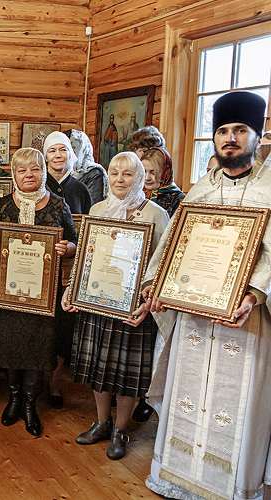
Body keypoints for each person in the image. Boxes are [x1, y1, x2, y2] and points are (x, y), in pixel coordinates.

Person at [144, 91, 271, 499]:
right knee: (188, 391)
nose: (230, 138)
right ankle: (179, 477)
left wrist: (253, 295)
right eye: (222, 131)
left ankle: (231, 487)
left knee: (239, 405)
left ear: (257, 134)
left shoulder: (267, 192)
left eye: (240, 130)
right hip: (195, 320)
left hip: (244, 320)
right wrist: (156, 287)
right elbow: (172, 250)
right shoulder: (198, 193)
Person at [62, 151, 169, 460]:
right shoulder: (97, 209)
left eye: (128, 173)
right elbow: (84, 255)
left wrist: (147, 303)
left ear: (140, 178)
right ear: (107, 175)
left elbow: (161, 266)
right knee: (99, 367)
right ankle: (101, 422)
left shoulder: (156, 215)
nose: (120, 179)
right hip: (97, 300)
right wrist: (71, 290)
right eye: (115, 172)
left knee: (126, 373)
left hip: (132, 307)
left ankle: (121, 428)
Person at [0, 147, 77, 437]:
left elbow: (74, 242)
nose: (29, 175)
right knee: (11, 347)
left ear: (44, 171)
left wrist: (67, 248)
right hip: (8, 294)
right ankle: (14, 399)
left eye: (34, 169)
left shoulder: (59, 205)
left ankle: (31, 404)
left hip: (43, 297)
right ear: (14, 175)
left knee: (37, 349)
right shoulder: (4, 205)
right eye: (22, 170)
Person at [42, 131, 92, 409]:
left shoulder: (80, 189)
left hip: (68, 271)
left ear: (70, 154)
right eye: (52, 151)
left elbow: (88, 231)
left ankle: (56, 383)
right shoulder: (38, 184)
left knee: (62, 327)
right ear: (45, 155)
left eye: (63, 150)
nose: (58, 155)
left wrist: (73, 247)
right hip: (39, 268)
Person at [66, 129, 108, 204]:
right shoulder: (62, 170)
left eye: (74, 148)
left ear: (83, 148)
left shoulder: (94, 173)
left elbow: (93, 207)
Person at [141, 147, 185, 217]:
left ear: (166, 173)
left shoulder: (178, 199)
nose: (147, 178)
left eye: (153, 172)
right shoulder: (137, 193)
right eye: (144, 171)